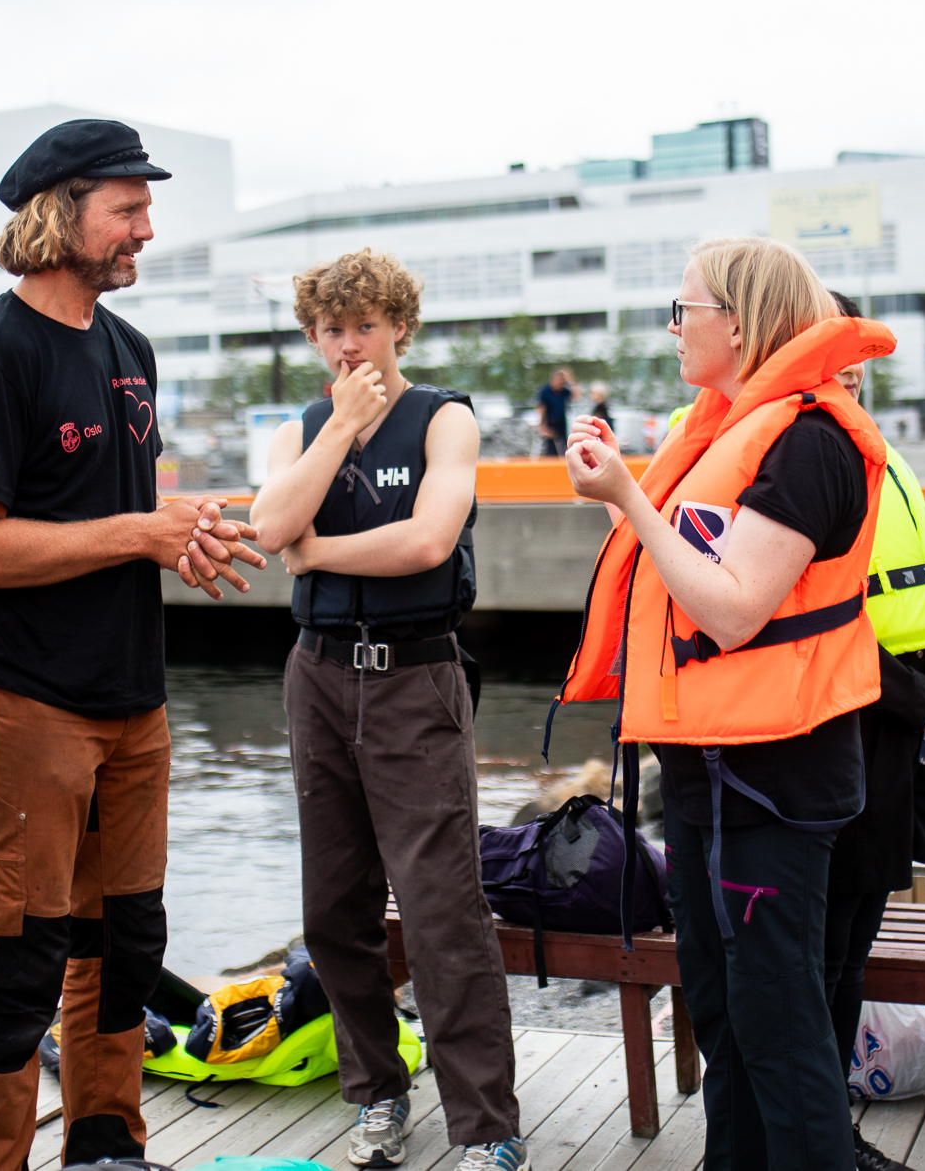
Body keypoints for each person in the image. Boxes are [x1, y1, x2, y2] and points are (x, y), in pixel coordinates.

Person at [0, 119, 267, 1171]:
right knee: (18, 958)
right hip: (30, 700)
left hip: (134, 699)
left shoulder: (129, 351)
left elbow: (113, 513)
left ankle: (105, 1149)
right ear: (59, 214)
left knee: (125, 944)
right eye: (127, 209)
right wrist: (137, 532)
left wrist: (180, 534)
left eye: (146, 209)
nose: (145, 231)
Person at [561, 237, 895, 1171]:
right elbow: (687, 559)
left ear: (739, 324)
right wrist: (620, 491)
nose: (673, 328)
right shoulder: (721, 429)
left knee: (777, 1015)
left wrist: (628, 498)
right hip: (707, 768)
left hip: (775, 777)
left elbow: (735, 610)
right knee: (718, 1001)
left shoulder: (810, 441)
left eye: (684, 310)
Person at [249, 248, 523, 1171]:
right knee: (333, 908)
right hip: (318, 674)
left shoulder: (444, 418)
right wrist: (337, 430)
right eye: (331, 329)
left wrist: (315, 553)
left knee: (442, 910)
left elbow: (427, 542)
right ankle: (377, 1095)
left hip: (413, 675)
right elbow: (268, 527)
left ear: (399, 327)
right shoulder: (302, 429)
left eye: (365, 325)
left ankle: (486, 1126)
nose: (348, 345)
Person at [826, 293, 925, 1171]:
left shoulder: (880, 453)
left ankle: (827, 1126)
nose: (849, 370)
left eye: (856, 355)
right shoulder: (813, 461)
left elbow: (923, 590)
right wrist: (915, 698)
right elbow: (815, 618)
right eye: (832, 351)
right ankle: (822, 1136)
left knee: (851, 944)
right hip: (852, 727)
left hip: (904, 726)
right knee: (824, 951)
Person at [535, 368, 574, 457]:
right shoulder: (545, 391)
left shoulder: (564, 392)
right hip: (549, 423)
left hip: (561, 424)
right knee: (550, 449)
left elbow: (576, 396)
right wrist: (543, 426)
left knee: (563, 447)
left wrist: (569, 379)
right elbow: (541, 408)